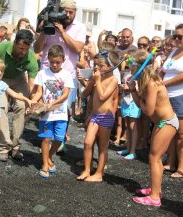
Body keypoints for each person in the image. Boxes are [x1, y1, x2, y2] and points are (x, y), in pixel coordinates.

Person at [34, 0, 85, 150]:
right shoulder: (50, 23)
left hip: (68, 74)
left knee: (65, 107)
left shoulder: (80, 27)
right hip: (46, 72)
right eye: (66, 11)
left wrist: (62, 32)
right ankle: (46, 137)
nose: (68, 14)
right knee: (46, 104)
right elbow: (36, 49)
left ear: (75, 13)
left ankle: (59, 137)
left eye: (71, 12)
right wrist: (45, 30)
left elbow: (77, 48)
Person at [128, 57, 178, 207]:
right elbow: (140, 105)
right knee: (155, 158)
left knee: (154, 158)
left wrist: (135, 91)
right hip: (163, 122)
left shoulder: (150, 83)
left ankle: (155, 197)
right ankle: (156, 190)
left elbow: (148, 110)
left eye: (132, 67)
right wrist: (132, 90)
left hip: (167, 123)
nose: (130, 70)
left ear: (139, 69)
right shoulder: (147, 83)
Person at [0, 29, 38, 161]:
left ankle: (15, 147)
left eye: (26, 49)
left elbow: (32, 83)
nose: (23, 52)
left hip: (19, 79)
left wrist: (31, 101)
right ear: (15, 42)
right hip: (1, 78)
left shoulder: (31, 57)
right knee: (1, 108)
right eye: (21, 48)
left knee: (22, 107)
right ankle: (3, 147)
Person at [31, 45, 74, 178]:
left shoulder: (67, 74)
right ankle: (44, 164)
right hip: (46, 114)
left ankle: (49, 155)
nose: (54, 65)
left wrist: (52, 104)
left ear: (63, 60)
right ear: (48, 59)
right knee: (46, 139)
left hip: (61, 113)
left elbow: (65, 94)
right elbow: (39, 92)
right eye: (52, 62)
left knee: (59, 139)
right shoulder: (42, 73)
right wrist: (32, 102)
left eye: (57, 62)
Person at [77, 50, 119, 182]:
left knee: (102, 146)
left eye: (100, 65)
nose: (96, 68)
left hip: (106, 116)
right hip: (95, 115)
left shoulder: (113, 80)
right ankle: (87, 170)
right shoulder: (97, 78)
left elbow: (102, 96)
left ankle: (99, 173)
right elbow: (85, 94)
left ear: (110, 66)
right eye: (95, 65)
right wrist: (90, 82)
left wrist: (98, 81)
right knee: (88, 142)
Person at [160, 24, 183, 178]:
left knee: (181, 134)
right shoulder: (174, 51)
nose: (176, 39)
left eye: (179, 37)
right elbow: (163, 70)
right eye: (175, 36)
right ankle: (171, 162)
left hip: (180, 96)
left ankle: (181, 168)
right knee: (172, 131)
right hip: (167, 96)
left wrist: (164, 84)